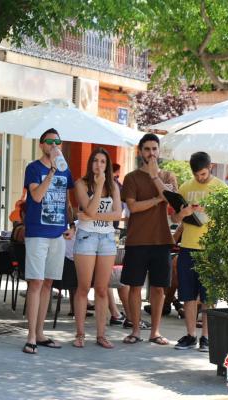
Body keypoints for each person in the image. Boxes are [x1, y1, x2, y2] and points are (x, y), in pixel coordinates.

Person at [121, 133, 178, 345]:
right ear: (140, 151)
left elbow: (171, 201)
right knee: (134, 287)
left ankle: (155, 332)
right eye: (147, 149)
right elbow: (133, 207)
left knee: (158, 288)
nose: (151, 153)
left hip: (162, 240)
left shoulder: (169, 176)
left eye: (155, 149)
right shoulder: (131, 178)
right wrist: (156, 198)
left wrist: (155, 177)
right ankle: (135, 330)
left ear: (159, 151)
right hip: (137, 240)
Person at [22, 128, 74, 355]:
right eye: (50, 141)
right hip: (37, 233)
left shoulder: (66, 170)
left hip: (57, 233)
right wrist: (52, 170)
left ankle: (40, 333)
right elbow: (36, 196)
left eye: (58, 141)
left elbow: (66, 200)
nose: (54, 145)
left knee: (48, 284)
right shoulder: (34, 168)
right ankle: (31, 335)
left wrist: (70, 224)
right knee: (35, 282)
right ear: (42, 145)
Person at [172, 152, 226, 352]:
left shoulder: (220, 187)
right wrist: (183, 213)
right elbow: (176, 219)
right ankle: (190, 335)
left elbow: (226, 217)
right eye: (197, 175)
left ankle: (206, 338)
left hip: (210, 248)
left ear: (210, 167)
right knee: (187, 294)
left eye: (203, 174)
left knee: (208, 297)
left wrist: (210, 210)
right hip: (187, 247)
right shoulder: (186, 187)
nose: (200, 178)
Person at [73, 147, 122, 349]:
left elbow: (118, 214)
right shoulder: (81, 184)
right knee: (84, 287)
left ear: (107, 165)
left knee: (102, 289)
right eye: (95, 161)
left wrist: (93, 215)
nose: (98, 165)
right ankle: (80, 334)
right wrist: (99, 185)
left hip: (107, 239)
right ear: (90, 163)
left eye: (103, 162)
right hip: (86, 237)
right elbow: (89, 208)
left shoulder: (114, 186)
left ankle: (101, 335)